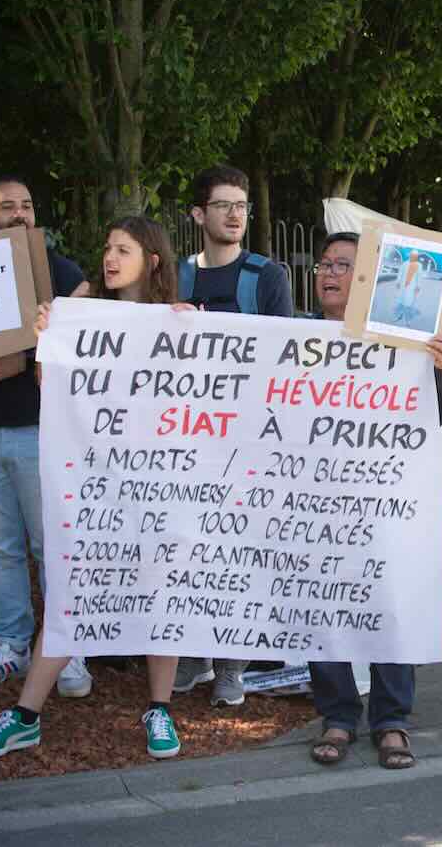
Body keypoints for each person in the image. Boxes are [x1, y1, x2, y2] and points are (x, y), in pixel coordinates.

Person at [0, 216, 189, 760]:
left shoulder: (177, 318)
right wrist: (49, 340)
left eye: (124, 249)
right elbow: (52, 386)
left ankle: (159, 709)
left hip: (157, 485)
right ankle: (25, 715)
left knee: (161, 595)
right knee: (72, 593)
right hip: (95, 485)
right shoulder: (81, 309)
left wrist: (196, 335)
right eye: (108, 248)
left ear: (152, 261)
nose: (110, 258)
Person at [300, 231, 442, 769]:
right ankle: (338, 715)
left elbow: (432, 416)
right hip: (314, 503)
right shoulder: (292, 338)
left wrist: (439, 370)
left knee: (389, 600)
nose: (329, 273)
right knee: (323, 605)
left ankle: (392, 719)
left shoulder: (406, 344)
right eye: (324, 264)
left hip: (384, 502)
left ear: (368, 279)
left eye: (343, 265)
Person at [0, 176, 91, 698]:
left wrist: (25, 357)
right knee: (1, 548)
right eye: (7, 206)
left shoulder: (62, 272)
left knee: (51, 546)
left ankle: (67, 649)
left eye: (27, 205)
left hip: (41, 432)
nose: (20, 213)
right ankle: (12, 644)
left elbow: (86, 341)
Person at [172, 164, 294, 707]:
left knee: (240, 550)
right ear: (198, 214)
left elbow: (285, 356)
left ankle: (232, 665)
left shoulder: (268, 275)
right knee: (190, 548)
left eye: (241, 204)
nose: (235, 213)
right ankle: (195, 655)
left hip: (247, 439)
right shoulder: (176, 276)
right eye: (222, 205)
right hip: (189, 439)